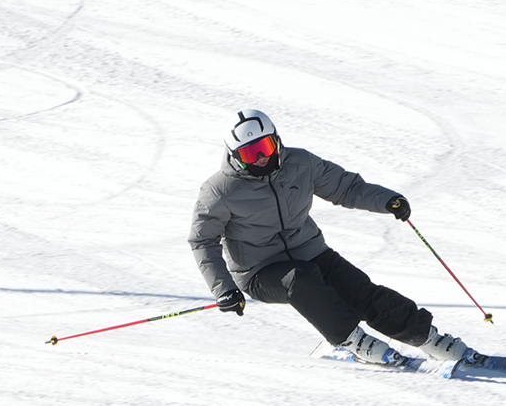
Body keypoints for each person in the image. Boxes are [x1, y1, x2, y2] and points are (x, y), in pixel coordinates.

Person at [188, 108, 479, 365]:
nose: (262, 158)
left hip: (309, 250)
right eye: (250, 154)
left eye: (264, 147)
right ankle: (350, 339)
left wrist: (386, 200)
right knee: (299, 279)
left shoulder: (300, 164)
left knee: (361, 290)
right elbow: (203, 241)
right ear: (234, 157)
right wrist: (223, 289)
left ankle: (425, 336)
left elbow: (345, 187)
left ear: (276, 139)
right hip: (259, 272)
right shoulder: (219, 191)